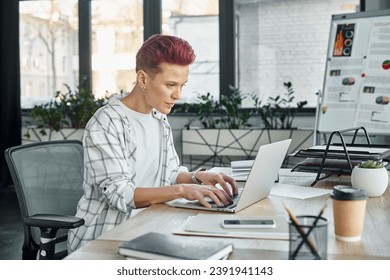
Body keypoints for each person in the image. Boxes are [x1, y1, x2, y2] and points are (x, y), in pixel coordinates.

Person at [67, 34, 238, 253]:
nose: (177, 95)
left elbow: (170, 173)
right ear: (143, 79)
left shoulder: (159, 117)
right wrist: (183, 190)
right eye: (170, 85)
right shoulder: (106, 122)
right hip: (106, 238)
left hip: (152, 225)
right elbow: (121, 195)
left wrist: (198, 178)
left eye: (182, 85)